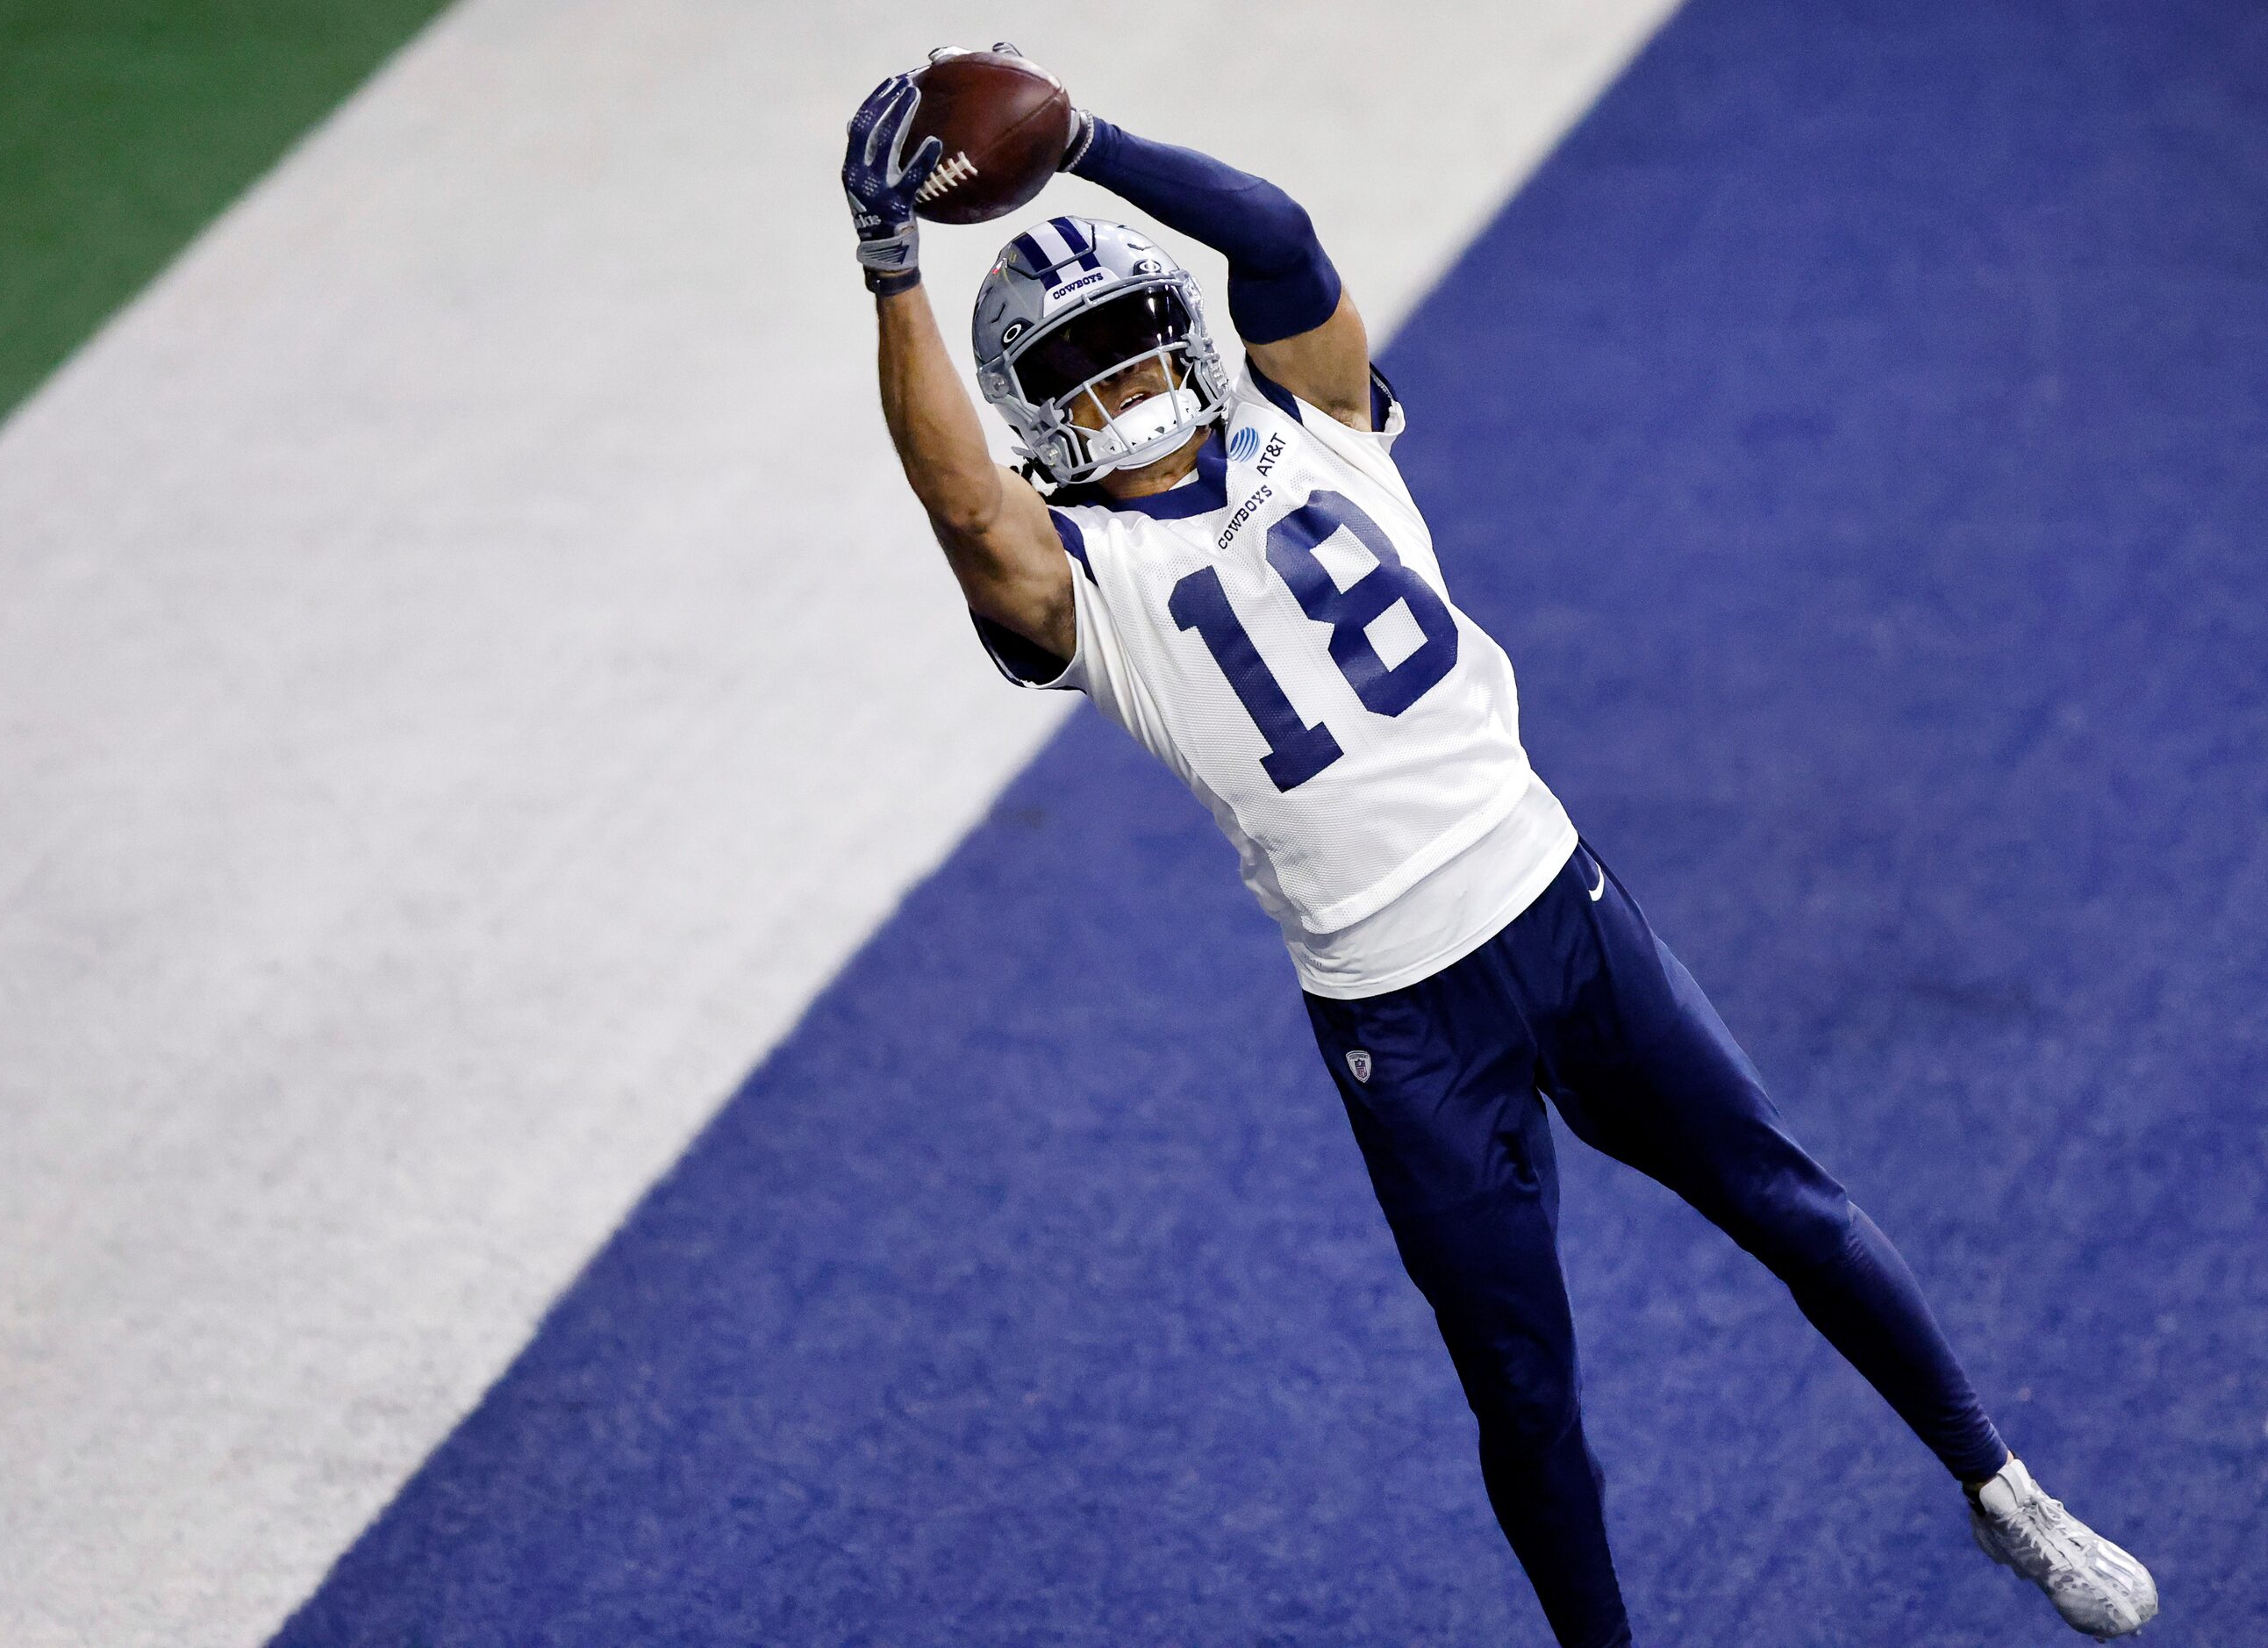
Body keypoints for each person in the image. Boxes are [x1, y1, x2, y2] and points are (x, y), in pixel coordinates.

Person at [841, 50, 2158, 1648]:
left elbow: (1278, 235)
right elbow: (967, 516)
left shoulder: (1317, 416)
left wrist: (1094, 143)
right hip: (1393, 1010)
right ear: (1038, 415)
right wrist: (893, 267)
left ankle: (1999, 1487)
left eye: (1131, 336)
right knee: (1521, 1388)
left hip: (1549, 899)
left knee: (1784, 1199)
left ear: (1178, 336)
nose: (1120, 382)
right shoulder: (1079, 582)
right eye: (1083, 363)